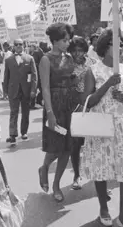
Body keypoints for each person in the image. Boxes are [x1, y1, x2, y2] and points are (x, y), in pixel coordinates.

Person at [81, 29, 123, 227]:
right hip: (100, 124)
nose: (120, 47)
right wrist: (108, 85)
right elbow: (87, 102)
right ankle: (103, 207)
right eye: (115, 44)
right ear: (105, 47)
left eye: (121, 43)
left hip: (122, 124)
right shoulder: (94, 70)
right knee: (102, 170)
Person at [38, 22, 76, 203]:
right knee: (55, 146)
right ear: (54, 40)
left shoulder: (69, 58)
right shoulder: (45, 59)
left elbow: (74, 79)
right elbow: (45, 88)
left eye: (68, 40)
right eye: (64, 40)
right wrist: (50, 113)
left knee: (68, 148)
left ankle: (56, 185)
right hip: (55, 107)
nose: (67, 43)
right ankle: (44, 167)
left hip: (70, 107)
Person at [69, 36, 97, 190]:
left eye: (80, 50)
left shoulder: (93, 63)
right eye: (74, 51)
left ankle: (98, 177)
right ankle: (76, 175)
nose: (77, 54)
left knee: (94, 143)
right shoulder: (67, 64)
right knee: (76, 144)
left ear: (86, 51)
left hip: (92, 106)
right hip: (75, 108)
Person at [2, 38, 38, 145]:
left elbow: (34, 76)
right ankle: (12, 134)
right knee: (13, 112)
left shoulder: (29, 58)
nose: (18, 46)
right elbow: (6, 76)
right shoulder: (8, 60)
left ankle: (24, 132)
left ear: (23, 45)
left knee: (25, 112)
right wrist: (5, 91)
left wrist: (33, 90)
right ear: (13, 46)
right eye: (16, 44)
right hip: (13, 90)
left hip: (26, 90)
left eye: (20, 44)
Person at [31, 41, 46, 108]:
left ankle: (36, 101)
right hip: (38, 73)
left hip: (38, 72)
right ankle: (35, 102)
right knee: (37, 88)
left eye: (30, 47)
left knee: (37, 88)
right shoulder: (38, 52)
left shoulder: (37, 52)